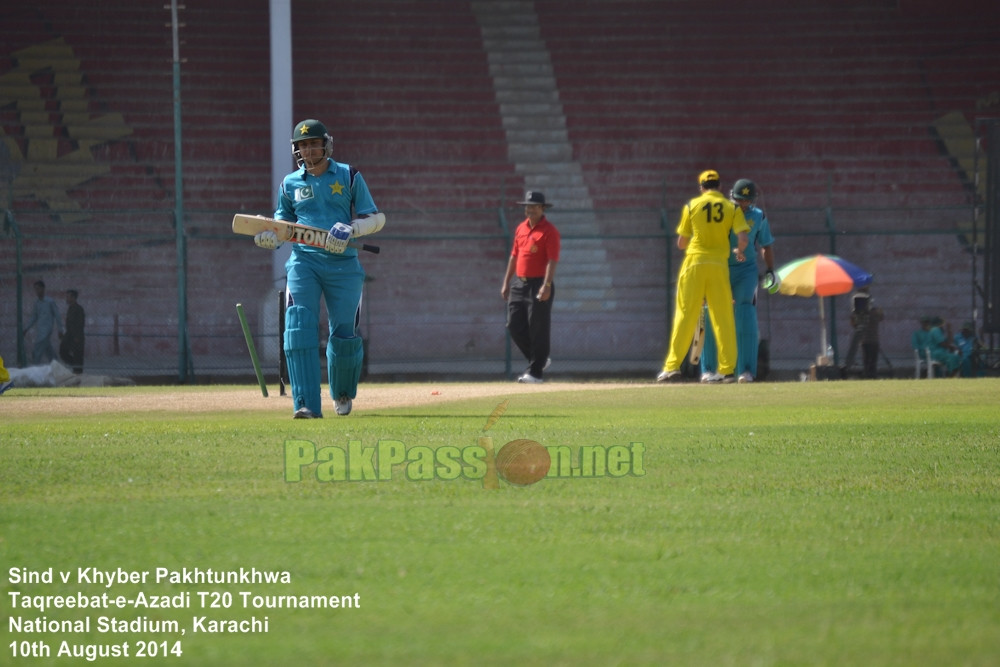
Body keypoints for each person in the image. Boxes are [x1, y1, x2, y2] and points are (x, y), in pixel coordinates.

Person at [254, 118, 385, 418]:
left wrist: (351, 229)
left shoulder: (348, 175)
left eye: (313, 143)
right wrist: (269, 238)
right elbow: (281, 226)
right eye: (302, 145)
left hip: (344, 266)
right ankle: (305, 403)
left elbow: (376, 218)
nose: (308, 149)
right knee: (298, 326)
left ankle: (341, 392)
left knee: (344, 335)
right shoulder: (289, 184)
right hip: (303, 262)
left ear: (326, 144)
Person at [658, 170, 749, 383]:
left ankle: (672, 367)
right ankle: (727, 370)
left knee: (685, 315)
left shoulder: (691, 206)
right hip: (719, 265)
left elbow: (681, 242)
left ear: (701, 187)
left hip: (695, 263)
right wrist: (740, 251)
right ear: (718, 186)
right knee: (723, 317)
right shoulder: (732, 207)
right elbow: (743, 238)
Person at [697, 178, 777, 383]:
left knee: (745, 314)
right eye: (740, 200)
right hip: (719, 268)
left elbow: (765, 245)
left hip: (746, 270)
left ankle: (746, 371)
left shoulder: (759, 216)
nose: (743, 205)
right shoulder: (720, 212)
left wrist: (770, 270)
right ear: (732, 197)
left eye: (747, 201)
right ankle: (709, 370)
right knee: (711, 313)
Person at [501, 191, 560, 383]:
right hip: (520, 283)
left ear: (543, 208)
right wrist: (506, 282)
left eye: (534, 206)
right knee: (514, 325)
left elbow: (552, 260)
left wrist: (547, 285)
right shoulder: (521, 228)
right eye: (527, 206)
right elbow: (514, 256)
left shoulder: (549, 231)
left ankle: (535, 373)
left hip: (539, 283)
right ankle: (540, 360)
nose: (530, 209)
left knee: (538, 328)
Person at [842, 287, 884, 379]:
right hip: (866, 340)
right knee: (868, 362)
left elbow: (880, 317)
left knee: (871, 362)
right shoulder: (864, 313)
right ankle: (868, 376)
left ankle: (871, 376)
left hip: (871, 339)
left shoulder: (874, 312)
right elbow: (854, 324)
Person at [23, 280, 62, 365]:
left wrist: (60, 329)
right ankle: (55, 363)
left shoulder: (50, 302)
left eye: (38, 289)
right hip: (40, 330)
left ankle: (35, 366)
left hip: (47, 330)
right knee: (47, 348)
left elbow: (57, 315)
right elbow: (34, 317)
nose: (37, 291)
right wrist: (26, 328)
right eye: (35, 289)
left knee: (37, 348)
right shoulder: (37, 303)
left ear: (43, 289)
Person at [60, 289, 86, 374]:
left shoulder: (78, 309)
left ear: (73, 298)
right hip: (69, 336)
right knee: (63, 352)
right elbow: (69, 325)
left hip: (76, 337)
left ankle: (78, 373)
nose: (66, 299)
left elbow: (80, 324)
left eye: (68, 297)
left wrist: (77, 337)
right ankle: (75, 365)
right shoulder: (70, 308)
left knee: (78, 355)